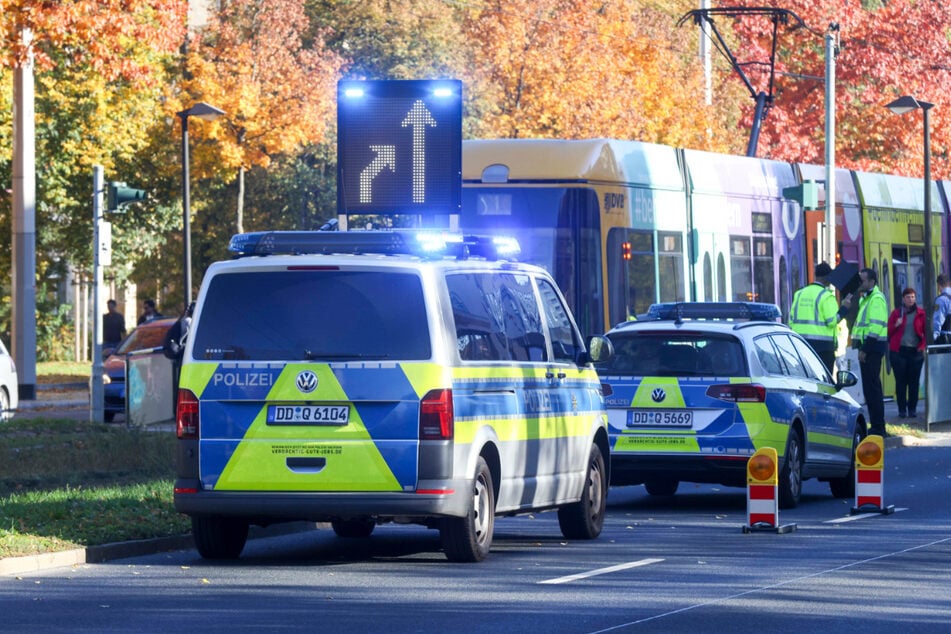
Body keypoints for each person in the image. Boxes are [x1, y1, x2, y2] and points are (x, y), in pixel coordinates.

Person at [841, 268, 888, 436]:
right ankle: (876, 425)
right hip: (867, 347)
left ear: (871, 281)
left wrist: (865, 349)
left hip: (872, 348)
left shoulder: (876, 299)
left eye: (862, 280)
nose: (859, 283)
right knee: (870, 388)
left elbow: (875, 328)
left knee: (872, 388)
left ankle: (878, 427)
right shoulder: (865, 299)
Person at [789, 262, 844, 374]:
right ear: (827, 278)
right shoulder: (826, 296)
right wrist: (844, 310)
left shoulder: (799, 294)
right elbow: (832, 322)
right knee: (823, 383)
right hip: (823, 348)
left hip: (800, 344)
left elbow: (790, 320)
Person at [887, 288, 926, 418]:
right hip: (899, 352)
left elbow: (926, 333)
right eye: (908, 297)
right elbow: (888, 332)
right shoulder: (897, 313)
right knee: (901, 382)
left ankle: (912, 409)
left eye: (913, 297)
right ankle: (902, 410)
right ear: (903, 299)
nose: (911, 299)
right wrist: (896, 325)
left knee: (914, 382)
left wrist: (922, 347)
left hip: (915, 352)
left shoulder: (921, 313)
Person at [934, 273, 951, 344]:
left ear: (939, 285)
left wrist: (933, 337)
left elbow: (937, 320)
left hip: (946, 339)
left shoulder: (940, 300)